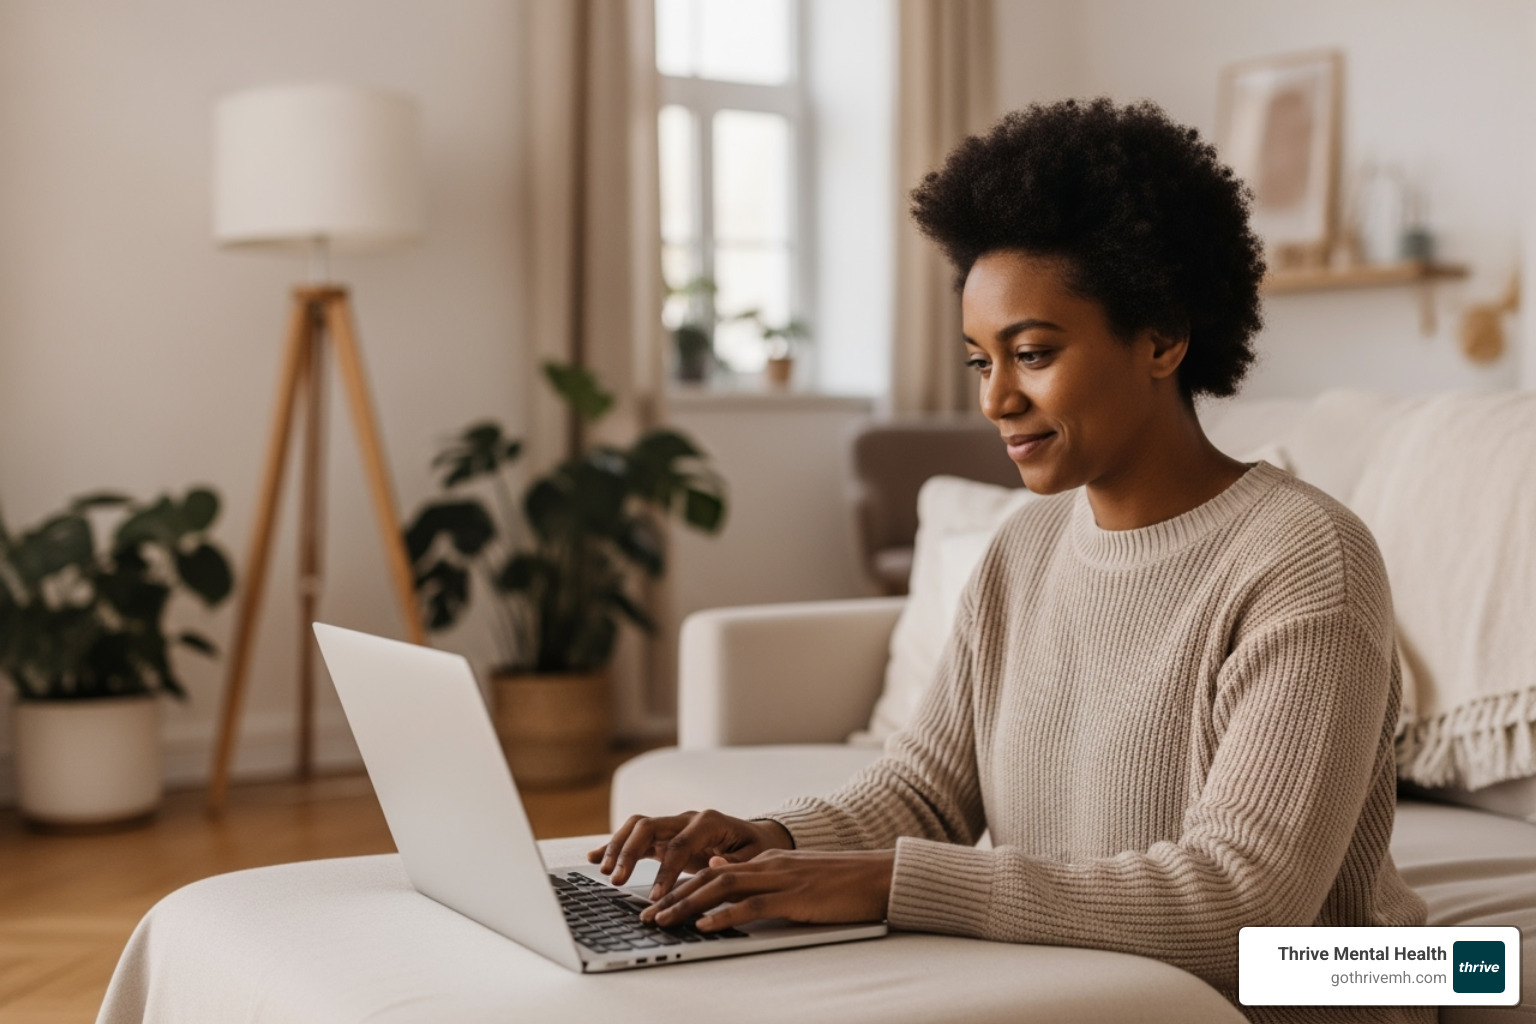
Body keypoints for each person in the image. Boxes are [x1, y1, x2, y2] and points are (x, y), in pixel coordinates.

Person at [591, 98, 1428, 1023]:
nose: (996, 400)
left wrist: (888, 884)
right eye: (978, 362)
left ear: (1162, 338)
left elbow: (1239, 905)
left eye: (1030, 353)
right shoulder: (1024, 546)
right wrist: (770, 840)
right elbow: (925, 790)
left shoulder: (1306, 559)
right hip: (1091, 985)